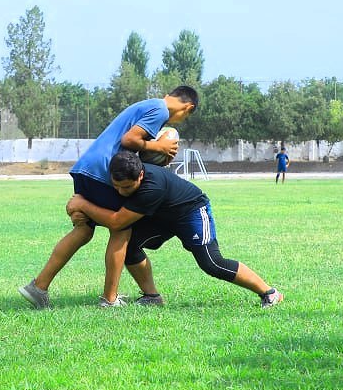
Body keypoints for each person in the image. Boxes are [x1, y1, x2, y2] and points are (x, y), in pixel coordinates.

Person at [19, 88, 197, 308]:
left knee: (83, 231)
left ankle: (38, 287)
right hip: (105, 171)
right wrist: (158, 146)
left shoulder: (148, 103)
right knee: (122, 229)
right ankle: (110, 299)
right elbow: (130, 139)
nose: (180, 121)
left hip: (87, 167)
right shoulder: (160, 111)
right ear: (188, 108)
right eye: (186, 117)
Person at [66, 151, 282, 306]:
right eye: (117, 187)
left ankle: (269, 293)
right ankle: (152, 297)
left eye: (127, 187)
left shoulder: (152, 187)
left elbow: (116, 222)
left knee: (211, 262)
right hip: (163, 216)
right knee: (130, 247)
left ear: (140, 176)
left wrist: (82, 204)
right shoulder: (124, 176)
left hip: (192, 212)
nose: (121, 192)